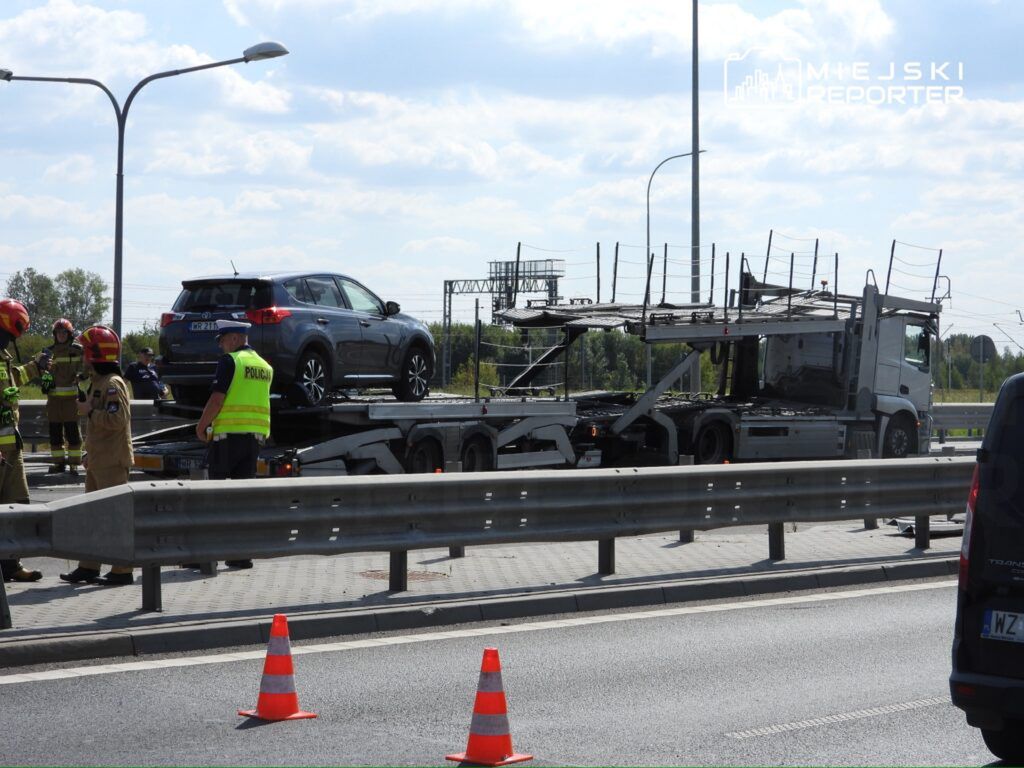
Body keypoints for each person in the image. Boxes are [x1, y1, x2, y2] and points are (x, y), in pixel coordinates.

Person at [192, 319, 273, 570]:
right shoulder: (264, 366)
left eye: (223, 340)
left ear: (235, 338)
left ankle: (207, 556)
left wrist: (201, 425)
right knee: (242, 500)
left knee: (212, 498)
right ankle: (240, 555)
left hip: (226, 438)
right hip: (254, 440)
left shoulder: (231, 361)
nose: (221, 347)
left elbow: (217, 399)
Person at [59, 325, 135, 587]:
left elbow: (117, 420)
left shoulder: (113, 384)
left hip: (113, 462)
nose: (83, 357)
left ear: (95, 355)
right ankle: (89, 566)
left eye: (85, 352)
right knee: (92, 518)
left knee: (115, 518)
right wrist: (87, 452)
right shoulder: (97, 383)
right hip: (98, 461)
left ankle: (122, 570)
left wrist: (89, 411)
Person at [0, 298, 50, 583]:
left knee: (15, 507)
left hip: (11, 449)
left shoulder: (4, 358)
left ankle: (10, 566)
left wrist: (35, 366)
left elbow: (12, 378)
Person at [42, 318, 84, 474]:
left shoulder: (78, 350)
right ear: (54, 334)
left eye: (64, 332)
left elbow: (88, 366)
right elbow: (40, 368)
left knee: (73, 433)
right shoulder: (48, 351)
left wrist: (82, 375)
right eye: (58, 332)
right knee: (55, 433)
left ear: (69, 334)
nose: (61, 335)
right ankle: (58, 463)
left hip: (71, 401)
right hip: (53, 401)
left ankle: (74, 464)